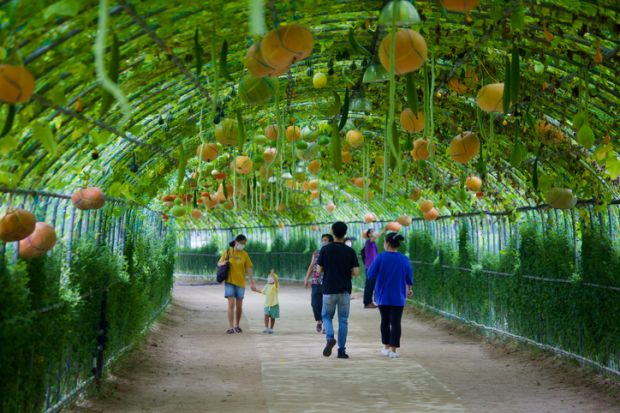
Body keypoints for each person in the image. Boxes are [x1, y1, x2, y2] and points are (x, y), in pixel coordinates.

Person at [366, 232, 413, 359]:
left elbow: (370, 274)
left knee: (385, 321)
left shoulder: (380, 258)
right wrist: (409, 288)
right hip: (398, 296)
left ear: (386, 243)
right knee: (396, 322)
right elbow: (409, 276)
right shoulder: (404, 259)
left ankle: (386, 347)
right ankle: (394, 350)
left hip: (383, 296)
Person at [317, 221, 360, 359]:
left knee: (326, 316)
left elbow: (319, 269)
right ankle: (341, 350)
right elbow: (356, 272)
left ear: (332, 232)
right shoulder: (350, 251)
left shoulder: (325, 250)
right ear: (345, 233)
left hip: (329, 289)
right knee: (343, 320)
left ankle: (330, 338)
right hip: (344, 290)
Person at [218, 234, 256, 334]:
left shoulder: (244, 254)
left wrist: (252, 282)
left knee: (239, 306)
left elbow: (249, 268)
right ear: (236, 241)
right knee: (231, 304)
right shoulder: (227, 252)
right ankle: (230, 327)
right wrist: (224, 263)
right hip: (229, 282)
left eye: (244, 244)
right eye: (241, 243)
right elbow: (219, 263)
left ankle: (237, 325)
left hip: (240, 283)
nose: (242, 245)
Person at [304, 233, 334, 333]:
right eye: (322, 240)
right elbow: (311, 266)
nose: (323, 241)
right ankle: (319, 320)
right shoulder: (316, 253)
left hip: (328, 282)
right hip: (316, 281)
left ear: (330, 242)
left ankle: (326, 325)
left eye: (325, 240)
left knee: (326, 304)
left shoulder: (333, 252)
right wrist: (306, 279)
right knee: (314, 303)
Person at [362, 227, 384, 309]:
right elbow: (375, 237)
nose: (374, 233)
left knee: (372, 284)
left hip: (373, 266)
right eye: (372, 232)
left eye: (374, 231)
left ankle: (370, 301)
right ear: (369, 234)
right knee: (369, 285)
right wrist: (384, 230)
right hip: (370, 267)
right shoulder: (369, 241)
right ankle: (367, 303)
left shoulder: (373, 243)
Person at [252, 269, 279, 334]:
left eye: (271, 277)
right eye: (269, 276)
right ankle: (266, 328)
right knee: (266, 315)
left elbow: (276, 281)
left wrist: (273, 275)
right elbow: (262, 291)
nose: (269, 277)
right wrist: (255, 290)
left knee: (273, 317)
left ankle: (271, 329)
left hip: (274, 304)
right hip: (267, 304)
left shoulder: (275, 286)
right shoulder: (267, 285)